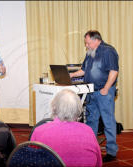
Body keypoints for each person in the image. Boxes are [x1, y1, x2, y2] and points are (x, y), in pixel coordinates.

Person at [70, 30, 119, 162]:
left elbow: (114, 71)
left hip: (104, 92)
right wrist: (72, 75)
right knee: (91, 120)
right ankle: (90, 148)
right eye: (86, 43)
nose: (86, 45)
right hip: (91, 91)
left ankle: (111, 152)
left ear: (96, 40)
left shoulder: (108, 51)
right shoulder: (90, 53)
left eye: (88, 43)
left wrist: (106, 88)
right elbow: (84, 70)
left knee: (108, 121)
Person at [30, 89, 102, 167]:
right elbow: (98, 163)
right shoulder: (89, 131)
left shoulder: (39, 132)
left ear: (54, 108)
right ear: (78, 110)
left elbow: (30, 161)